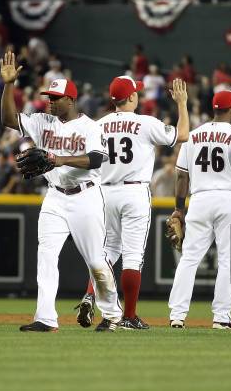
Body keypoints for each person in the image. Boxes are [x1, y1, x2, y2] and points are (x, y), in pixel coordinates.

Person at [0, 51, 122, 332]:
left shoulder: (90, 126)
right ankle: (45, 318)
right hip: (54, 196)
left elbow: (96, 159)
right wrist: (9, 85)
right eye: (49, 98)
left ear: (71, 99)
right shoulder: (43, 122)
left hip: (86, 196)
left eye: (56, 98)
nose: (50, 102)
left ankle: (112, 314)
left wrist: (58, 159)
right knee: (46, 255)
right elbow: (8, 118)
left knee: (95, 261)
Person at [75, 76, 190, 330]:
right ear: (130, 98)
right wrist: (182, 103)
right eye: (136, 91)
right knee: (132, 257)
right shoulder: (145, 123)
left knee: (106, 252)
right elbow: (182, 134)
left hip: (103, 193)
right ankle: (128, 316)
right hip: (133, 192)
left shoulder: (98, 125)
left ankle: (91, 294)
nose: (139, 94)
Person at [168, 89, 231, 329]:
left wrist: (179, 209)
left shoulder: (194, 135)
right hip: (228, 199)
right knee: (227, 261)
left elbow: (181, 176)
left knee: (189, 259)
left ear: (214, 109)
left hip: (199, 199)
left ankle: (177, 315)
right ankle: (221, 317)